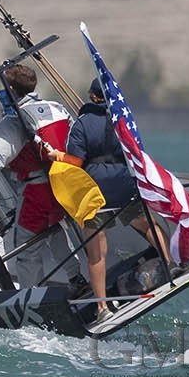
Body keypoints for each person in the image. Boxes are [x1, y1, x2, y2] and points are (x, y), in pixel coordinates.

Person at [47, 78, 171, 318]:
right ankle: (170, 265)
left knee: (96, 254)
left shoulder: (81, 124)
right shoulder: (124, 119)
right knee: (148, 225)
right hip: (125, 185)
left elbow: (75, 162)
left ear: (92, 96)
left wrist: (57, 155)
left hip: (96, 192)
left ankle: (102, 307)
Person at [0, 64, 78, 289]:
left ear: (10, 89)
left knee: (24, 245)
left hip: (37, 190)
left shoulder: (15, 120)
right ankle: (76, 278)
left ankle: (32, 297)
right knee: (54, 231)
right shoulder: (56, 107)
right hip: (64, 183)